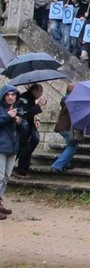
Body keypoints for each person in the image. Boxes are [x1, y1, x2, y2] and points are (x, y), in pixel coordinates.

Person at [0, 85, 28, 219]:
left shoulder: (19, 110)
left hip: (13, 147)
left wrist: (20, 121)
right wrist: (7, 116)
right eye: (8, 94)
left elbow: (25, 129)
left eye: (13, 94)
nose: (10, 97)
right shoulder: (1, 109)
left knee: (6, 177)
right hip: (1, 146)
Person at [13, 83, 47, 178]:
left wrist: (36, 117)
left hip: (29, 127)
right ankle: (21, 170)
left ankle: (23, 164)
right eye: (41, 91)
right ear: (34, 90)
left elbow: (30, 113)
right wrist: (38, 106)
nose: (41, 94)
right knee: (24, 147)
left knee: (33, 141)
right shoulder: (24, 98)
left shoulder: (31, 98)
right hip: (23, 128)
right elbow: (24, 113)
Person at [51, 83, 79, 172]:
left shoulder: (66, 99)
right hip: (66, 127)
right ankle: (57, 165)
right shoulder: (70, 100)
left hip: (63, 126)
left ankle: (66, 164)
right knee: (73, 145)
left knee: (70, 145)